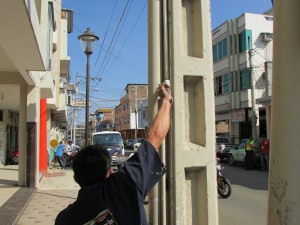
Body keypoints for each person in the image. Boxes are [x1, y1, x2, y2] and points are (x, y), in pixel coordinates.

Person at [55, 81, 173, 225]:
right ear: (110, 171)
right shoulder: (124, 185)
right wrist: (167, 100)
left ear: (75, 178)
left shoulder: (64, 220)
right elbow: (155, 136)